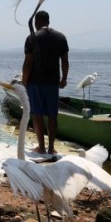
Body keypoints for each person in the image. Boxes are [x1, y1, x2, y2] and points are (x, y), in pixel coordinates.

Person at [22, 10, 69, 155]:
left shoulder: (32, 37)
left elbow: (28, 63)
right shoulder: (61, 37)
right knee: (52, 116)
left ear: (36, 22)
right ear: (48, 21)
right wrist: (64, 78)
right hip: (52, 82)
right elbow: (65, 62)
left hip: (35, 82)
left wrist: (24, 82)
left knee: (37, 114)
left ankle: (41, 147)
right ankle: (51, 148)